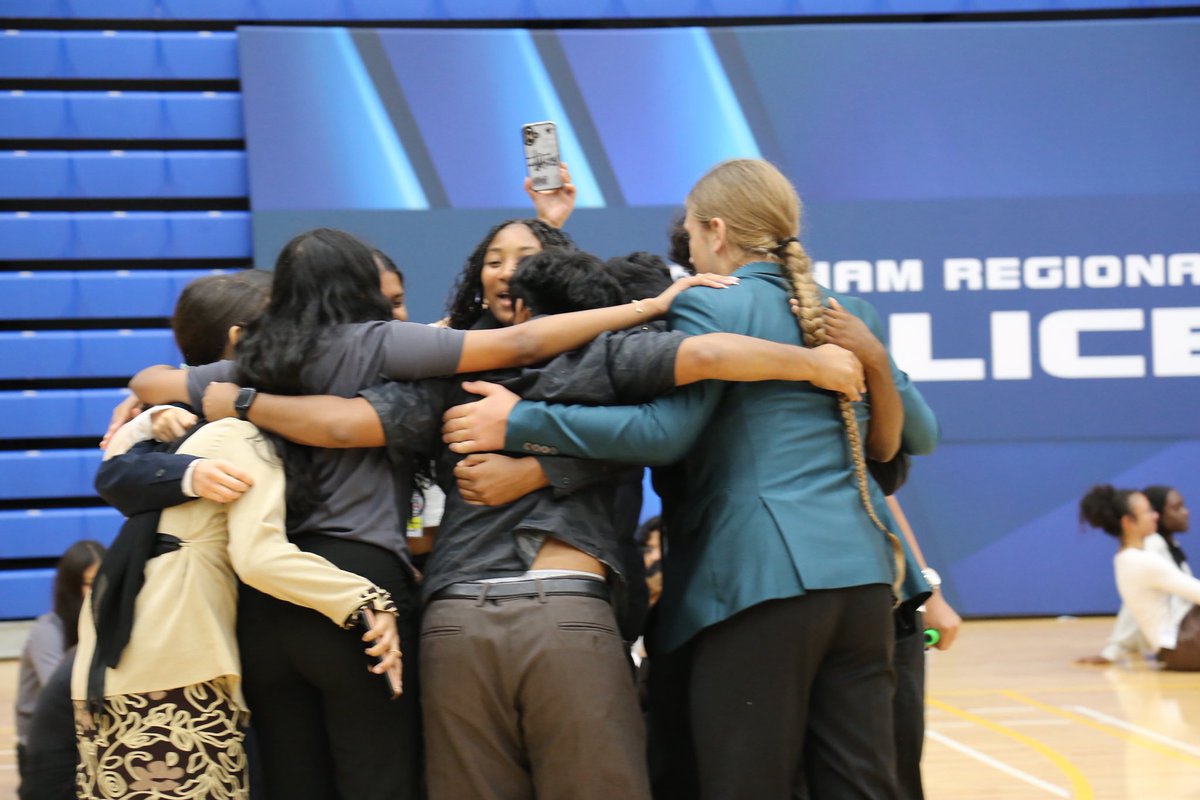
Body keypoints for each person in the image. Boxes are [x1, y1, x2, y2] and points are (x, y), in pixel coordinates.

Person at [124, 227, 737, 800]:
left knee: (294, 781)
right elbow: (540, 356)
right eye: (495, 261)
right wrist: (650, 308)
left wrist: (182, 403)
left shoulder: (267, 362)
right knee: (381, 778)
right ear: (365, 292)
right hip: (375, 585)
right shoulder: (385, 345)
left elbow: (152, 380)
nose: (507, 274)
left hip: (276, 597)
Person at [440, 158, 941, 799]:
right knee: (861, 785)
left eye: (695, 234)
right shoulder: (850, 311)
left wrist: (520, 422)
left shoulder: (711, 302)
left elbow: (665, 434)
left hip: (756, 579)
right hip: (865, 581)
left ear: (716, 231)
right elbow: (922, 435)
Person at [15, 540, 105, 792]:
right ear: (71, 586)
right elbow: (62, 693)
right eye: (89, 583)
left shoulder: (103, 625)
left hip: (82, 738)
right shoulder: (47, 630)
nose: (98, 591)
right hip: (42, 749)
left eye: (103, 581)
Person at [1080, 484, 1200, 671]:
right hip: (1185, 645)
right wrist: (1113, 649)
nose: (1155, 515)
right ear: (1128, 522)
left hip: (1178, 645)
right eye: (1148, 511)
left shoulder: (1127, 557)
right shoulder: (1142, 560)